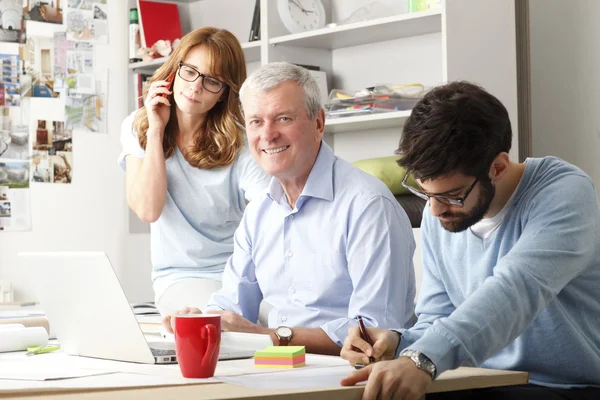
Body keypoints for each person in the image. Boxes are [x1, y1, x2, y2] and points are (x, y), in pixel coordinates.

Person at [340, 81, 600, 399]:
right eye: (425, 193)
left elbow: (517, 290)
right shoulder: (443, 212)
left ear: (498, 167)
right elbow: (439, 317)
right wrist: (397, 343)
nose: (433, 210)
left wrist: (422, 359)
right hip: (479, 379)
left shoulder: (563, 192)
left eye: (451, 195)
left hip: (564, 386)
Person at [163, 62, 417, 355]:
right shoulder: (259, 211)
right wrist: (201, 320)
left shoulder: (368, 206)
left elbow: (373, 333)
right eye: (256, 121)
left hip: (350, 377)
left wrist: (270, 337)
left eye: (283, 118)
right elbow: (232, 305)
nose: (268, 135)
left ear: (319, 123)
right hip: (276, 367)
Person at [118, 27, 270, 316]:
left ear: (224, 94)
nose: (196, 87)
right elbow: (148, 210)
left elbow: (270, 208)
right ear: (175, 69)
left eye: (212, 80)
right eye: (190, 71)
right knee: (215, 320)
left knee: (288, 321)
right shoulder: (138, 125)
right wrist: (156, 130)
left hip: (240, 272)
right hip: (180, 276)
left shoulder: (239, 142)